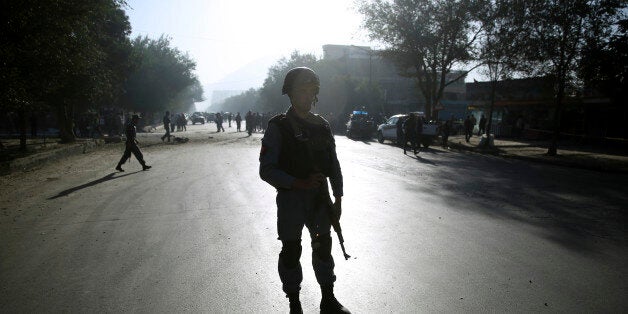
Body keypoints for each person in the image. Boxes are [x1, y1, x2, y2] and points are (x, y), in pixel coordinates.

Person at [259, 67, 350, 314]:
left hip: (320, 200)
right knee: (291, 251)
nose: (308, 97)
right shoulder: (278, 127)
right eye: (302, 91)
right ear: (289, 93)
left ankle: (328, 299)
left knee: (323, 247)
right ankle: (294, 302)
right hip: (291, 201)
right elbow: (266, 170)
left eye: (312, 92)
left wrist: (338, 198)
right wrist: (297, 183)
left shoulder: (322, 125)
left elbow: (333, 164)